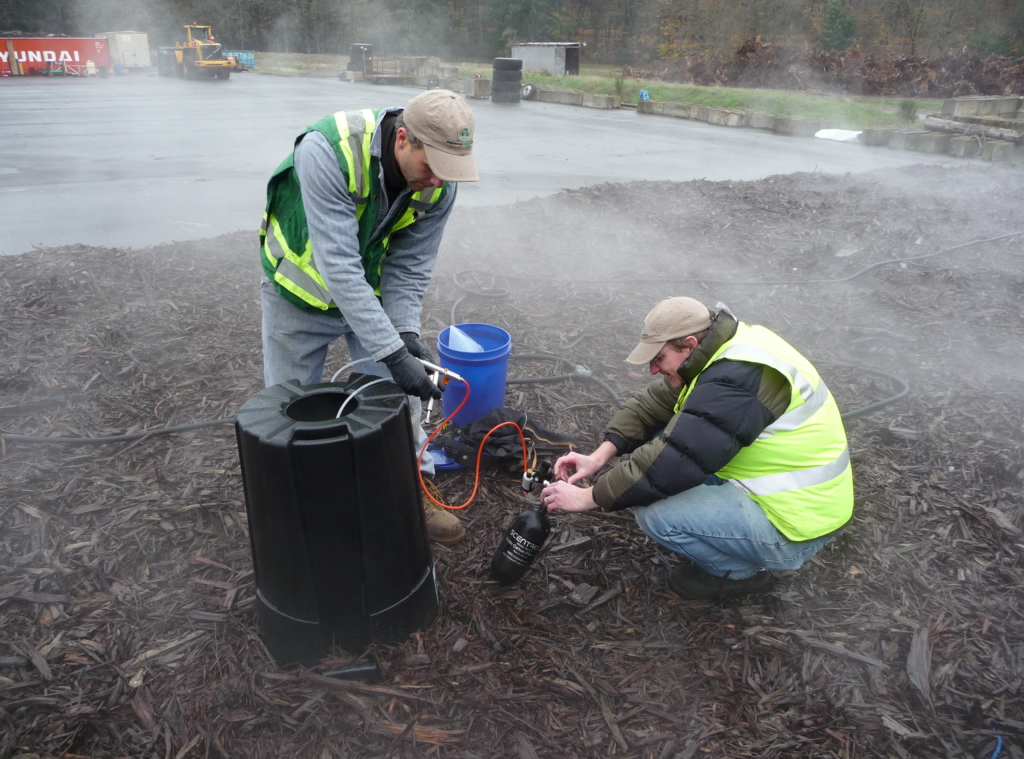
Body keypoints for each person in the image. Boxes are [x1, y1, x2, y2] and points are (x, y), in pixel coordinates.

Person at [259, 90, 477, 545]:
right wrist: (393, 353)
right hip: (297, 296)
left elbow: (408, 268)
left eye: (447, 171)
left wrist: (405, 333)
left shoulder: (441, 185)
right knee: (289, 411)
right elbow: (337, 265)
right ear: (403, 139)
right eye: (430, 167)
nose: (437, 181)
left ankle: (415, 487)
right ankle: (301, 512)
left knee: (404, 401)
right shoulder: (327, 151)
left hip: (369, 297)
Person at [540, 297, 853, 600]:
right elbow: (650, 405)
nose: (652, 369)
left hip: (796, 525)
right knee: (666, 432)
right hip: (792, 494)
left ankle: (738, 574)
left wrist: (586, 496)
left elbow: (674, 461)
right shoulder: (721, 350)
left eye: (658, 359)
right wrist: (598, 458)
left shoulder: (739, 380)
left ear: (689, 344)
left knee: (656, 512)